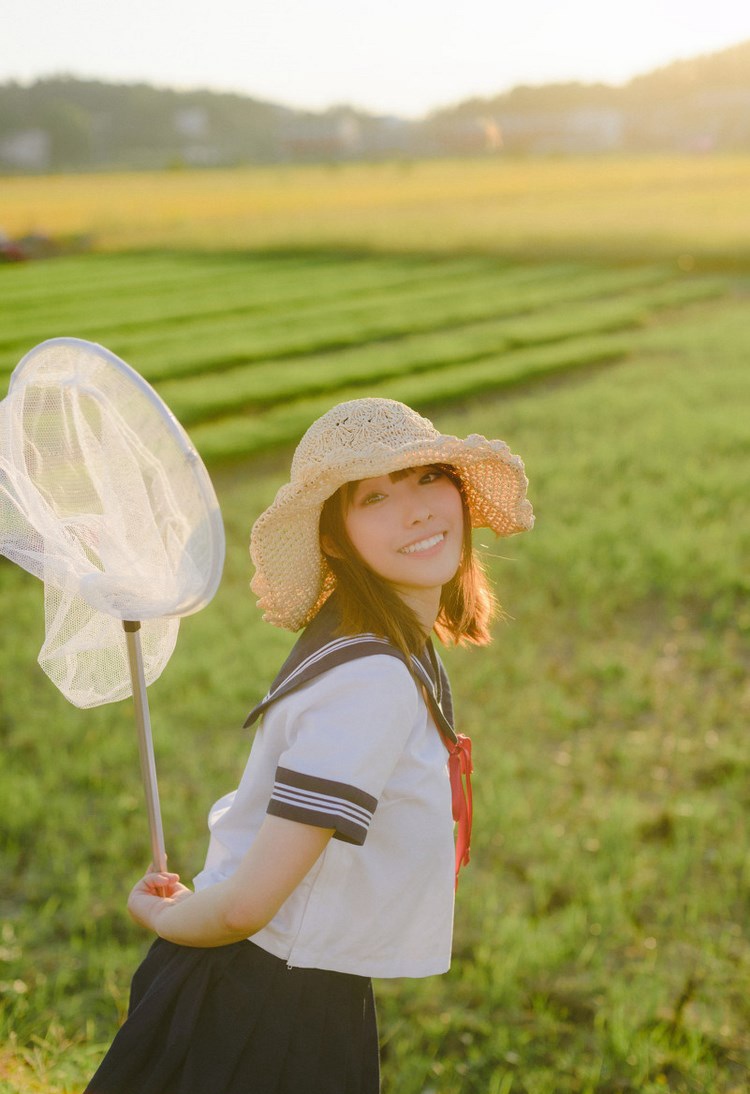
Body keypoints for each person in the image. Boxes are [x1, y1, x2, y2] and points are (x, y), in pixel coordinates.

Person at [86, 397, 533, 1094]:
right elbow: (243, 908)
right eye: (374, 497)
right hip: (265, 1007)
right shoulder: (371, 679)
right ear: (335, 538)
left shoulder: (374, 636)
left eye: (425, 478)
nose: (413, 510)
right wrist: (162, 916)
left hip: (275, 980)